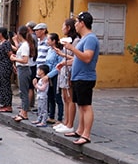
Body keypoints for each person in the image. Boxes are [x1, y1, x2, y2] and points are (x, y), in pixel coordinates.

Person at [61, 11, 99, 145]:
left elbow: (87, 57)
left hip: (85, 77)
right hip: (78, 77)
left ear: (82, 23)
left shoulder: (90, 39)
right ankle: (80, 130)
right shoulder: (84, 39)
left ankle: (86, 134)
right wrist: (65, 62)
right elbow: (78, 58)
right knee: (80, 106)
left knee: (86, 106)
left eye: (77, 22)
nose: (75, 25)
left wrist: (72, 48)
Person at [53, 18, 80, 134]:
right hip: (64, 69)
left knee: (70, 98)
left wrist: (63, 55)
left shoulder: (76, 41)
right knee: (65, 98)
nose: (62, 28)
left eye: (64, 26)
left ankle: (70, 124)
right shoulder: (68, 41)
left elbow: (76, 58)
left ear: (69, 27)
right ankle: (65, 121)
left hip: (70, 70)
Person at [10, 25, 36, 122]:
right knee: (22, 91)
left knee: (24, 92)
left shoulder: (25, 45)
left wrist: (14, 58)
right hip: (21, 68)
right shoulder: (24, 44)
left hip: (24, 69)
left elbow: (25, 60)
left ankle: (24, 112)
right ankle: (22, 111)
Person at [39, 33, 65, 125]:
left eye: (49, 39)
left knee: (57, 96)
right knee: (50, 96)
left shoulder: (59, 51)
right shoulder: (50, 50)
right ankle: (51, 116)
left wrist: (49, 75)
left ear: (54, 41)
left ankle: (60, 118)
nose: (47, 41)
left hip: (55, 76)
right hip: (49, 75)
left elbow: (58, 67)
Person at [0, 27, 14, 113]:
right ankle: (3, 104)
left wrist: (14, 65)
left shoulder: (6, 43)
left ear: (0, 34)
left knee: (5, 85)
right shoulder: (1, 43)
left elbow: (10, 55)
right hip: (0, 66)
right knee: (0, 85)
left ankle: (8, 105)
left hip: (5, 66)